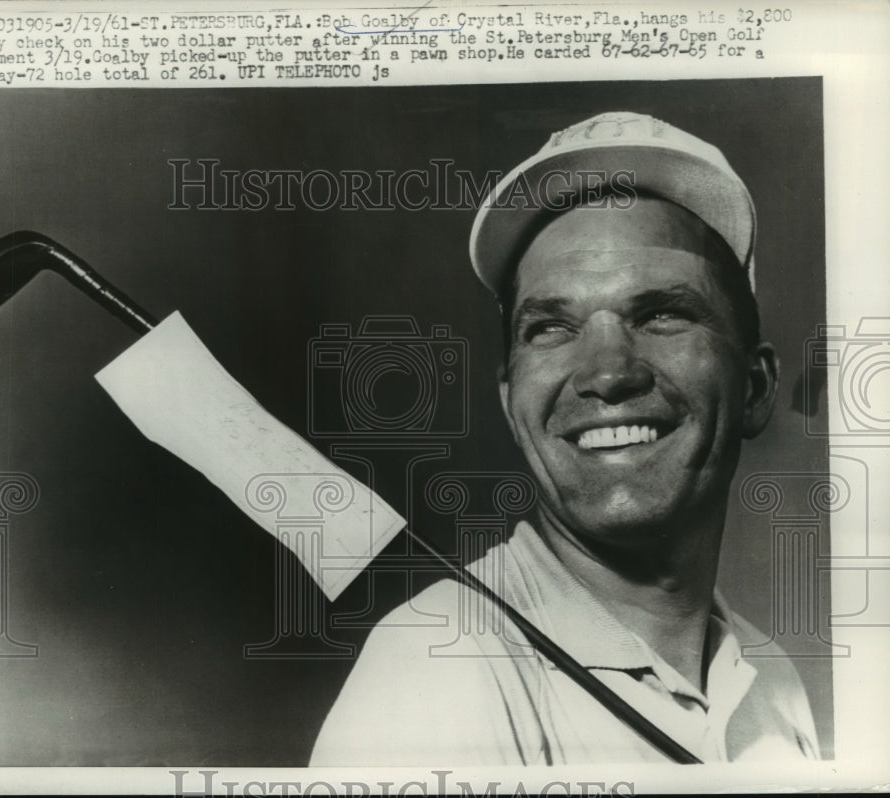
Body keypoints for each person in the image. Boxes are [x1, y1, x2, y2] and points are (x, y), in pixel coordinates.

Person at [310, 112, 820, 765]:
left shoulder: (772, 682)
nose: (609, 373)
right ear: (512, 402)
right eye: (551, 327)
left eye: (661, 313)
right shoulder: (440, 670)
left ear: (754, 386)